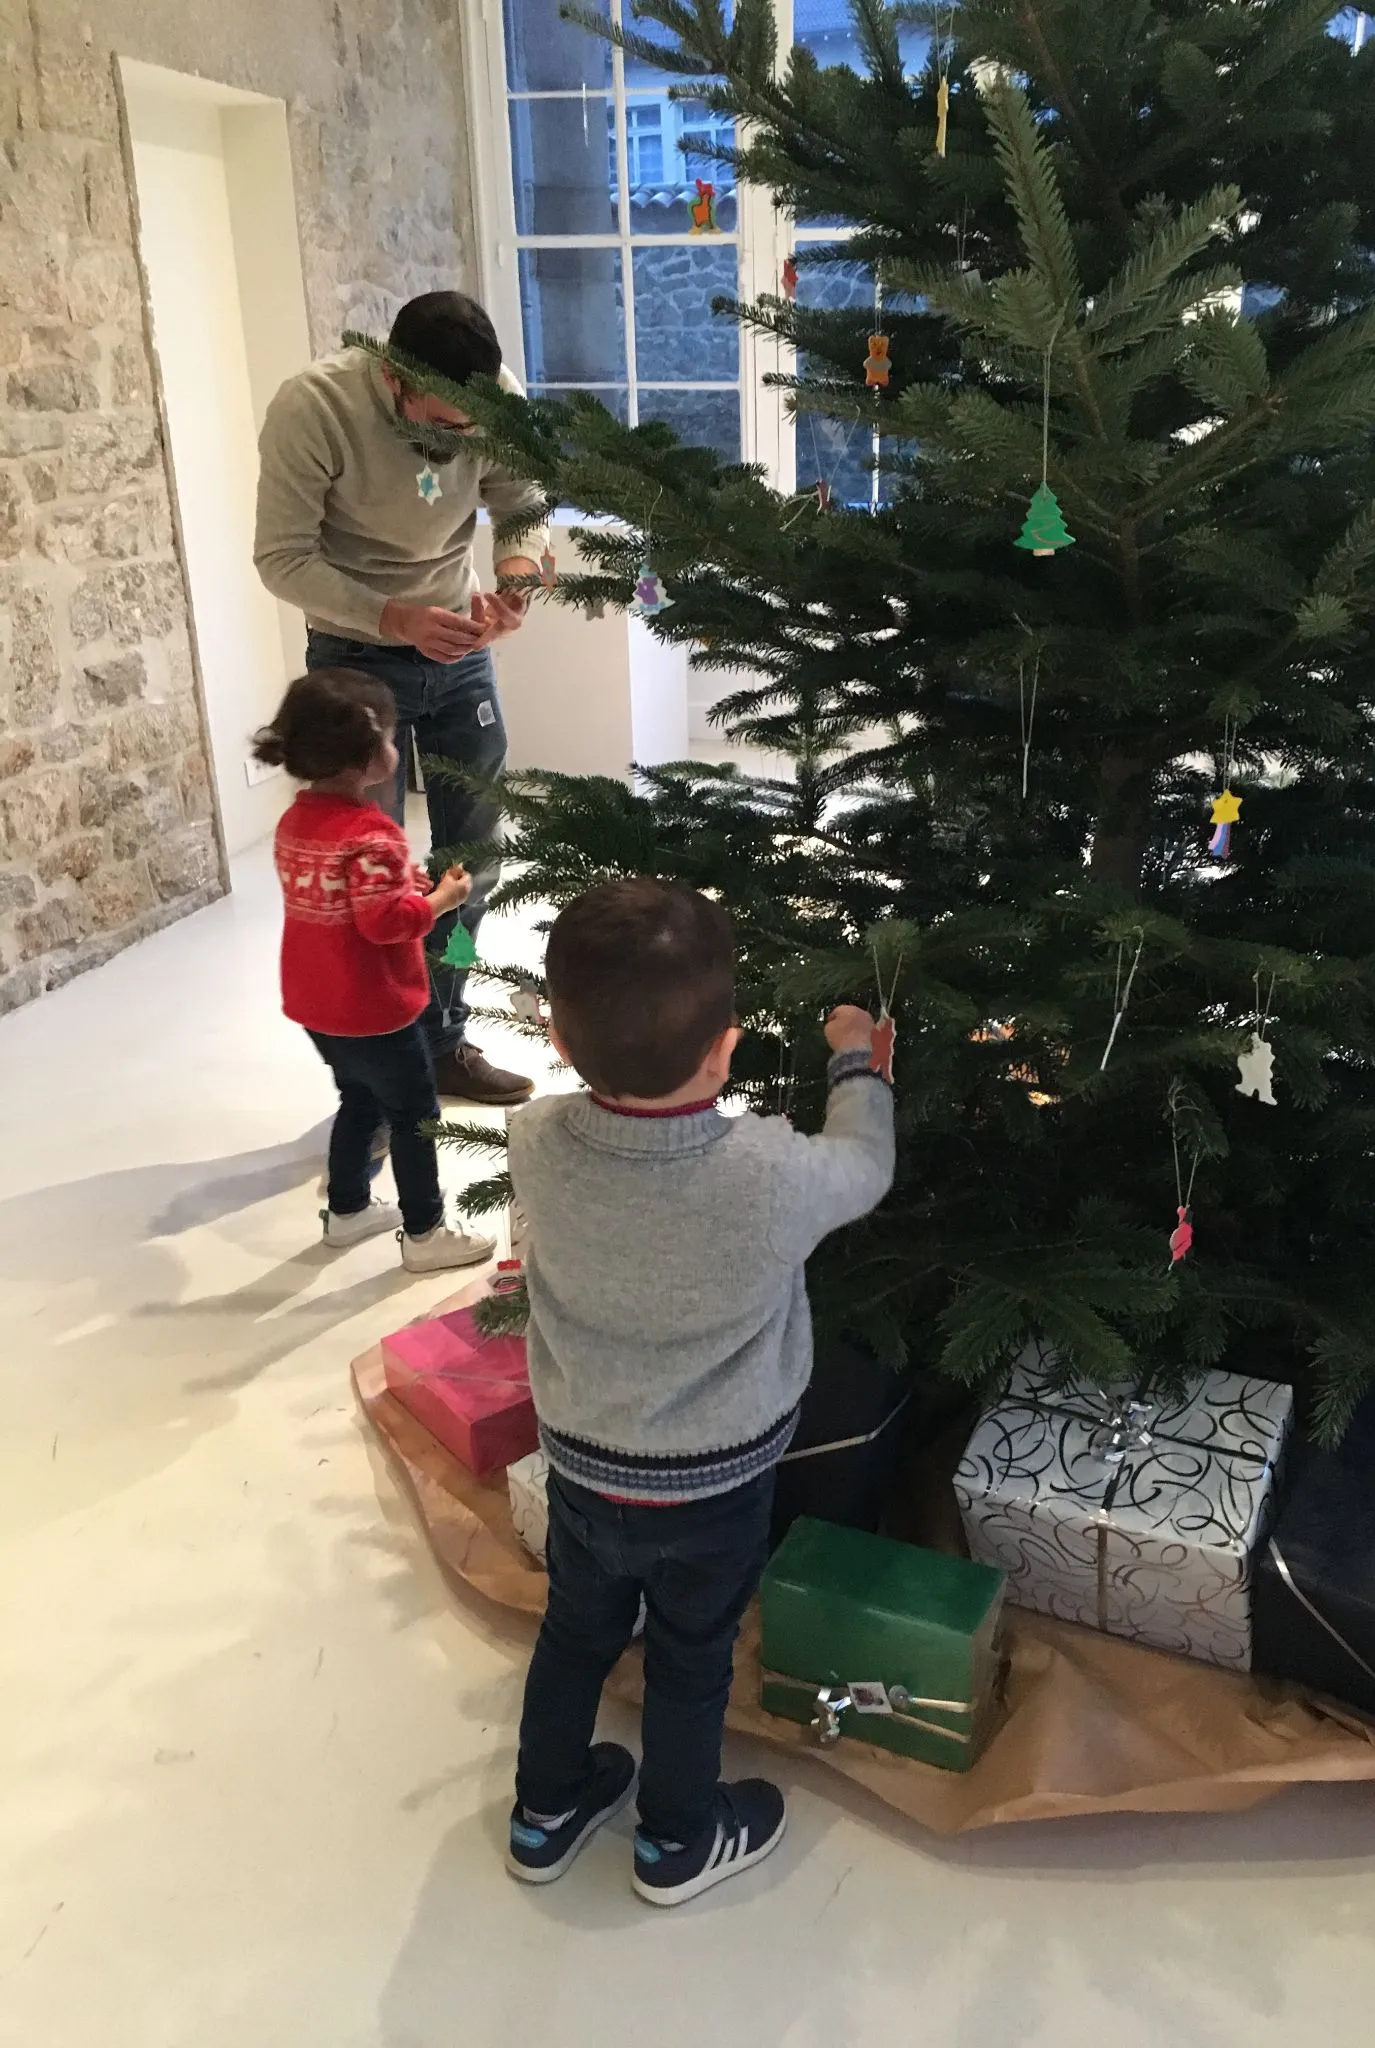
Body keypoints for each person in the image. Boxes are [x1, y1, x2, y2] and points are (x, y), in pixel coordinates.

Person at [502, 878, 895, 1905]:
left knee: (575, 1629)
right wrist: (859, 1060)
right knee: (690, 1654)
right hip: (717, 1486)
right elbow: (863, 1165)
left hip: (584, 1463)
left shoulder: (534, 1141)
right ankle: (677, 1841)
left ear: (555, 1031)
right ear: (726, 1048)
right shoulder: (767, 1171)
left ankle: (543, 1811)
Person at [254, 291, 548, 1107]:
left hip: (458, 652)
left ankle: (444, 1036)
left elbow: (523, 508)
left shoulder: (494, 400)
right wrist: (392, 617)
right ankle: (379, 1072)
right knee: (367, 884)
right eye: (444, 424)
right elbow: (280, 557)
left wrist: (516, 588)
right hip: (353, 658)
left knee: (474, 866)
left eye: (472, 428)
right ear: (393, 376)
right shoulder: (314, 408)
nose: (460, 441)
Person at [255, 668, 498, 1275]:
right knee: (415, 1117)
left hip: (318, 1003)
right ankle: (424, 1232)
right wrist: (439, 900)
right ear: (369, 756)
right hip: (374, 1007)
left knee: (358, 1099)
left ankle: (348, 1210)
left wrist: (400, 888)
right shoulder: (373, 837)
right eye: (392, 737)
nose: (398, 747)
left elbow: (344, 901)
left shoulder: (296, 822)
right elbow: (386, 925)